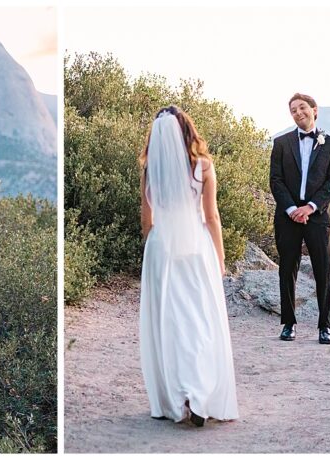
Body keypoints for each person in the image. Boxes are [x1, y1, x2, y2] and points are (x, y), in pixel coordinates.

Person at [139, 106, 239, 427]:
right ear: (186, 130)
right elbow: (211, 218)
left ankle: (178, 396)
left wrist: (151, 253)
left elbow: (147, 221)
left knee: (169, 323)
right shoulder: (203, 168)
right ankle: (199, 394)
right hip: (197, 250)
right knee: (200, 321)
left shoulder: (150, 170)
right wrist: (220, 259)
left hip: (161, 250)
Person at [269, 93, 330, 344]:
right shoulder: (281, 143)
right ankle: (288, 324)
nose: (298, 113)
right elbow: (275, 180)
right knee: (287, 268)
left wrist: (310, 207)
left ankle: (325, 326)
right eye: (293, 110)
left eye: (302, 108)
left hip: (318, 216)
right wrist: (291, 209)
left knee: (323, 269)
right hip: (287, 216)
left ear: (314, 110)